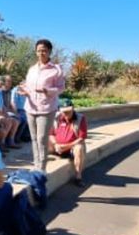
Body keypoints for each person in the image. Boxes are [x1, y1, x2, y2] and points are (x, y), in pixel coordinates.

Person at [20, 38, 67, 170]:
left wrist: (48, 91)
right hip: (30, 107)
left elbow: (61, 88)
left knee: (42, 138)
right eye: (39, 51)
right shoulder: (32, 69)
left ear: (50, 51)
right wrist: (25, 91)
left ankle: (42, 169)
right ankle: (36, 165)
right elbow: (29, 86)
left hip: (46, 108)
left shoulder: (56, 69)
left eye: (44, 50)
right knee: (34, 139)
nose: (41, 53)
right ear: (36, 52)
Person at [50, 100, 89, 186]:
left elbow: (81, 138)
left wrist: (67, 146)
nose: (67, 113)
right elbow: (51, 134)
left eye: (69, 111)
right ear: (60, 111)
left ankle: (78, 177)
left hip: (72, 147)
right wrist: (56, 144)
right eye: (64, 112)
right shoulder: (56, 118)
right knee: (43, 139)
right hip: (57, 146)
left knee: (79, 148)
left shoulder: (80, 118)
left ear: (73, 109)